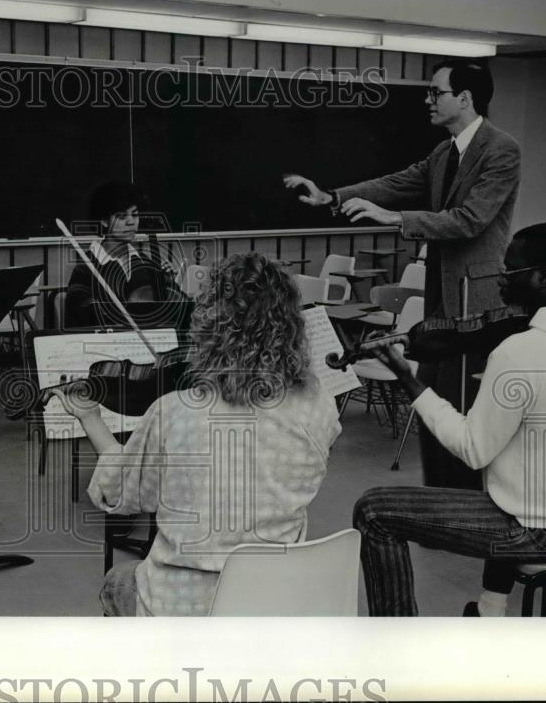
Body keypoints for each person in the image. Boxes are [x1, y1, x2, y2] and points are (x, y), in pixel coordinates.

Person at [50, 252, 342, 616]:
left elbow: (117, 493)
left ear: (206, 326)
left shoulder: (173, 412)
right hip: (274, 601)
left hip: (184, 607)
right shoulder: (320, 406)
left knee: (117, 581)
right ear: (292, 327)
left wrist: (90, 419)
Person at [352, 223, 546, 616]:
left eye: (509, 273)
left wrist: (409, 381)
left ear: (545, 276)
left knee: (374, 510)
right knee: (515, 470)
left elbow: (472, 449)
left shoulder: (518, 353)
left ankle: (396, 642)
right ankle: (489, 611)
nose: (499, 282)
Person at [283, 58, 521, 490]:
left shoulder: (500, 150)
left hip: (476, 298)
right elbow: (398, 181)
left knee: (466, 405)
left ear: (464, 99)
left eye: (436, 92)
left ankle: (467, 501)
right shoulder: (444, 152)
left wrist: (394, 219)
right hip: (440, 294)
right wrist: (332, 196)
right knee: (431, 395)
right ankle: (439, 498)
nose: (427, 99)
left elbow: (469, 219)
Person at [64, 180, 190, 331]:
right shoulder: (85, 269)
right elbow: (83, 317)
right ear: (104, 221)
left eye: (135, 215)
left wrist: (166, 286)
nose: (131, 222)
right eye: (122, 216)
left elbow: (179, 313)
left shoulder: (144, 261)